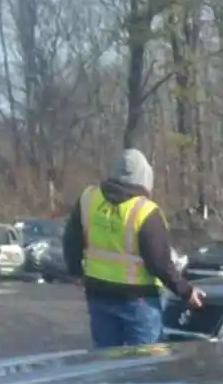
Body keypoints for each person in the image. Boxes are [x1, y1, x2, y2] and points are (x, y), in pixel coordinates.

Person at [62, 148, 204, 348]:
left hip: (98, 293)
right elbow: (160, 263)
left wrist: (76, 272)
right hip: (139, 300)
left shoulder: (89, 199)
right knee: (145, 366)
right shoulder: (146, 212)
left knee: (107, 363)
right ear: (145, 178)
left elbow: (71, 239)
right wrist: (186, 292)